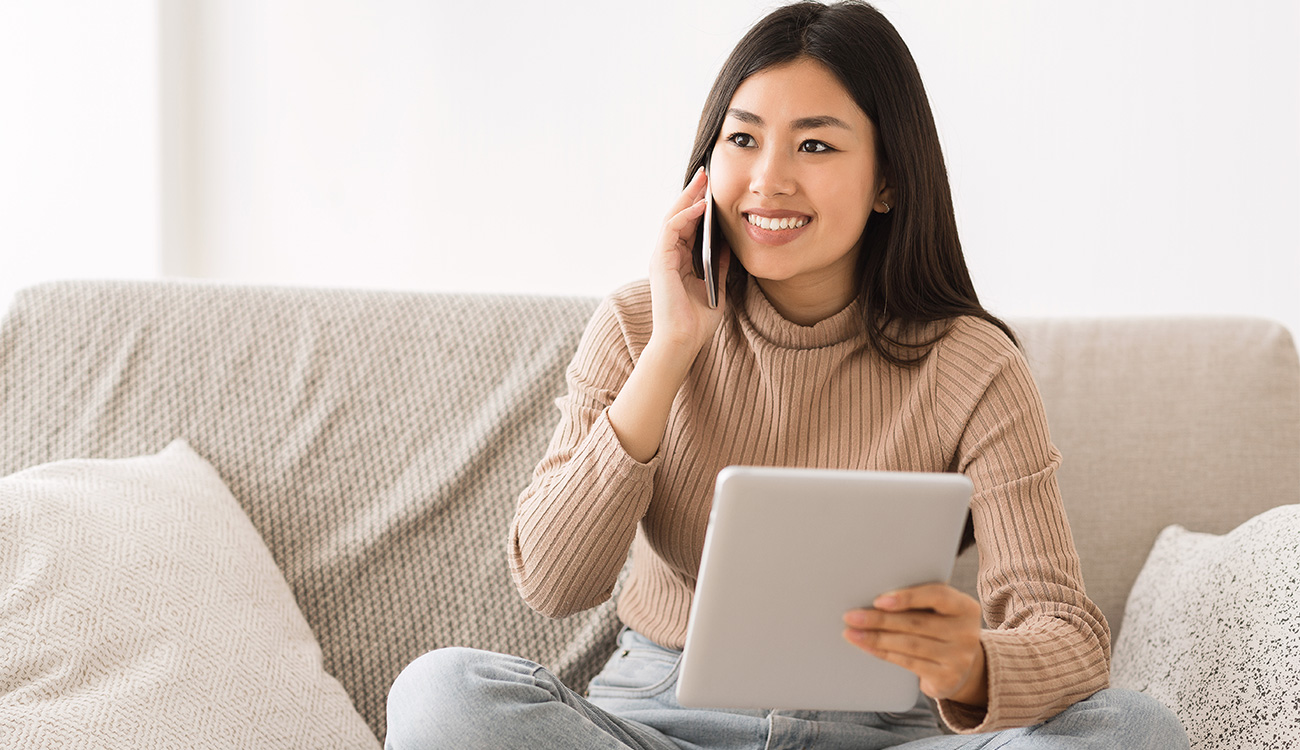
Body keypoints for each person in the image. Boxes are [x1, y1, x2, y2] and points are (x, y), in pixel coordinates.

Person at [384, 2, 1190, 747]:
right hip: (664, 720)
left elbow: (1067, 634)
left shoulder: (973, 364)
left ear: (888, 181)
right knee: (443, 693)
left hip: (885, 726)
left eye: (814, 144)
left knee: (1133, 729)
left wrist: (972, 664)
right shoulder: (638, 325)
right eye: (742, 139)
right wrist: (671, 349)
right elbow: (554, 584)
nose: (767, 178)